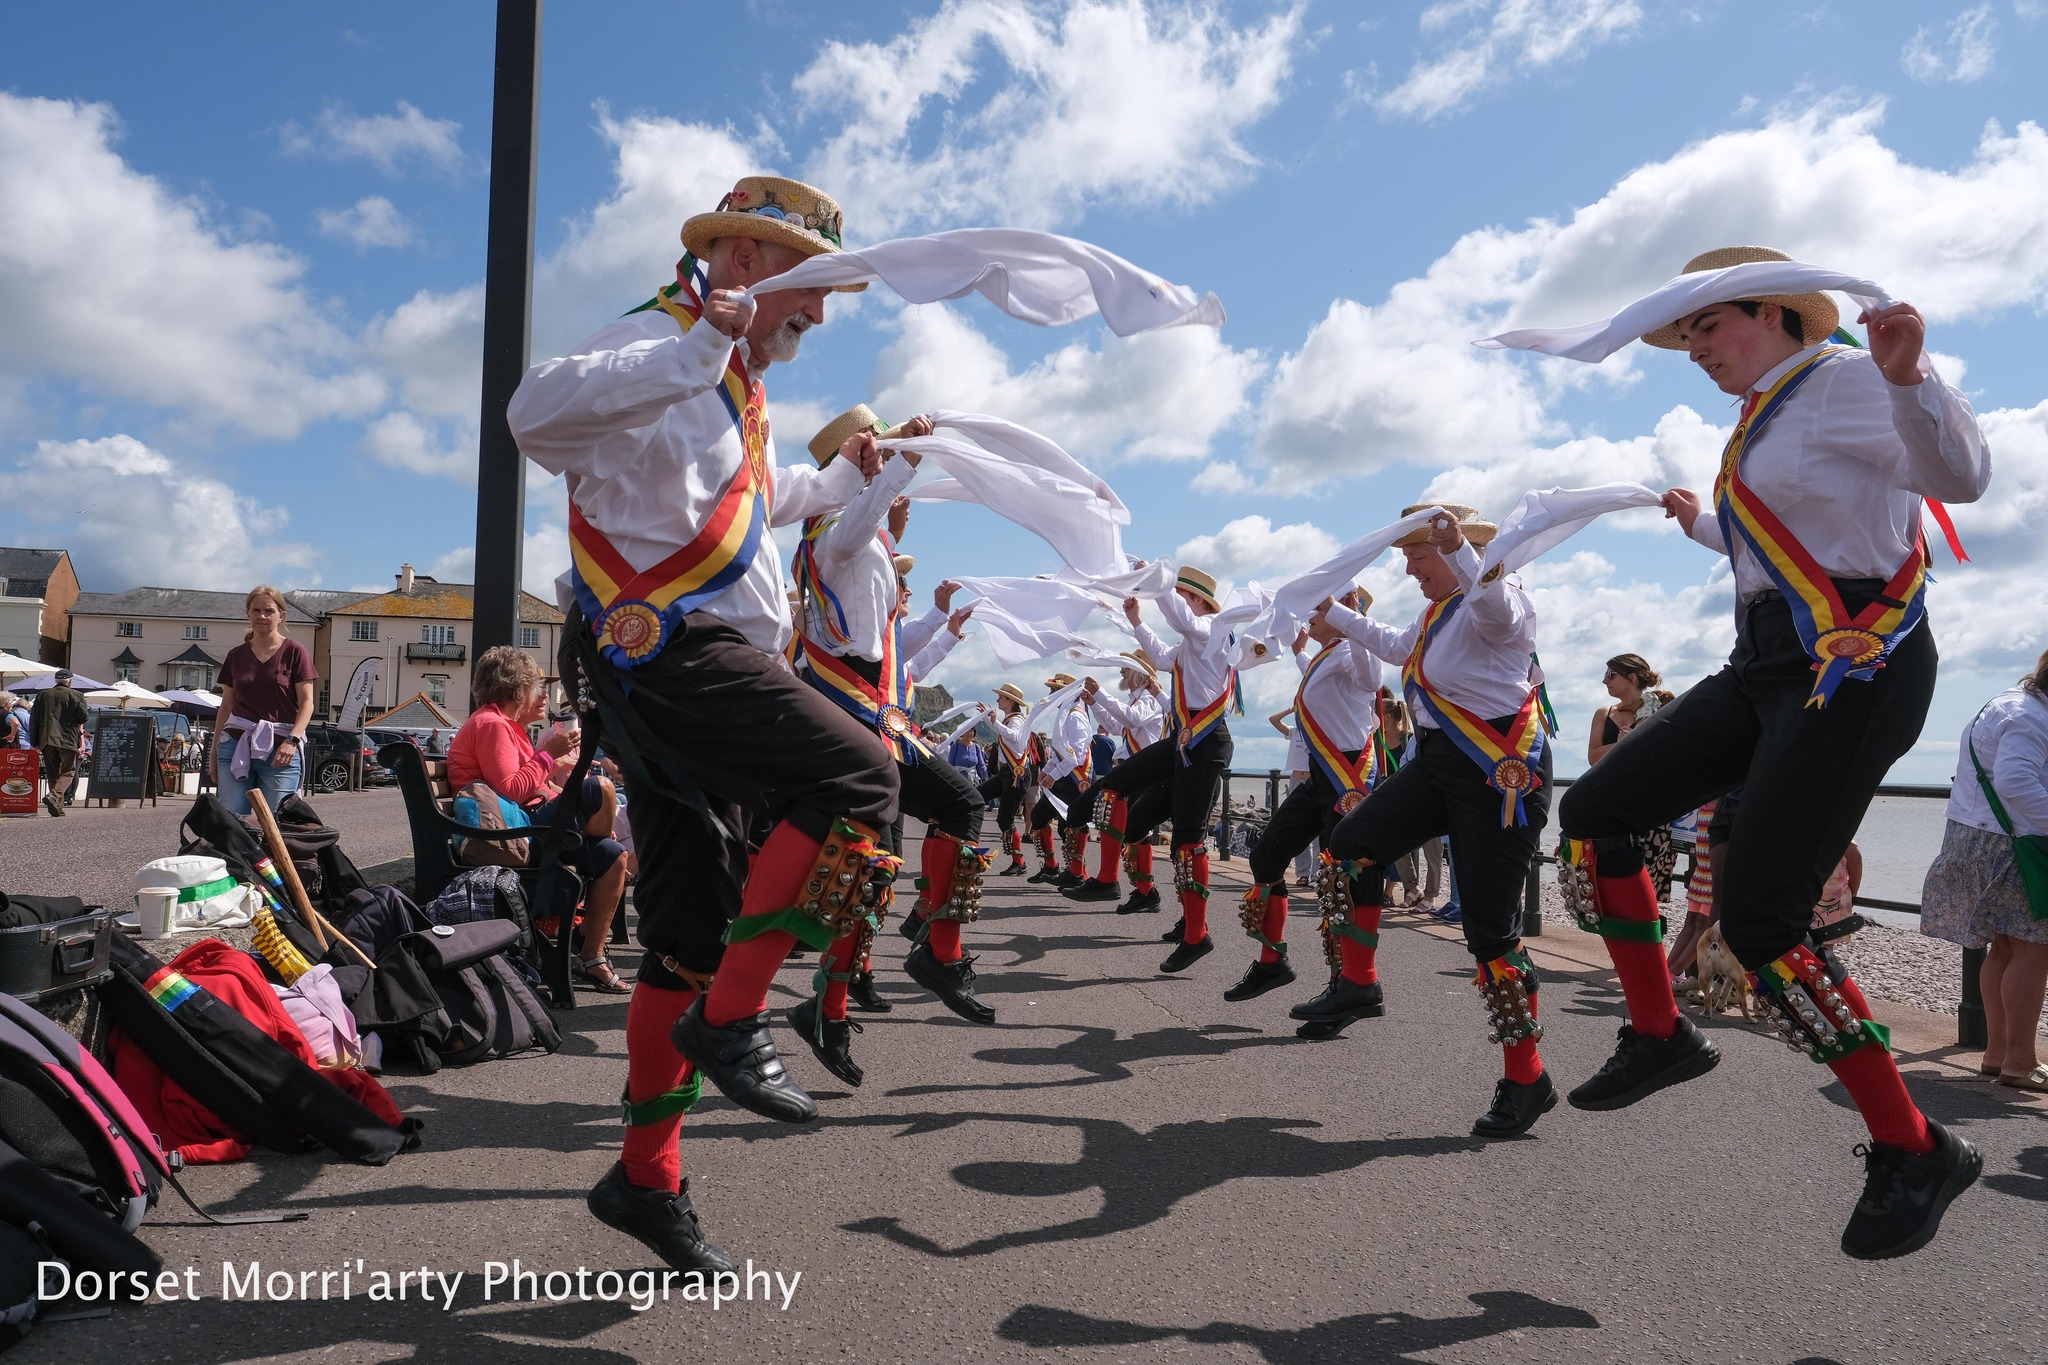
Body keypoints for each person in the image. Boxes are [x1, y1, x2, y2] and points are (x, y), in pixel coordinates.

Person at [1553, 246, 1991, 1259]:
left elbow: (1956, 478)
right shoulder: (1763, 418)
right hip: (1763, 662)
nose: (1693, 348)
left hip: (1852, 665)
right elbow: (1790, 539)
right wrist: (1702, 524)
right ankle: (1660, 1032)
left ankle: (1912, 1145)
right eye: (1687, 335)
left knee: (1758, 919)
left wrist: (1908, 379)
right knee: (1595, 814)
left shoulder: (1842, 381)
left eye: (1707, 326)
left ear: (1780, 315)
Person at [508, 174, 895, 1274]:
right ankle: (735, 1020)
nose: (817, 316)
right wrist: (697, 347)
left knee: (685, 929)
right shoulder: (658, 340)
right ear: (742, 262)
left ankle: (645, 1181)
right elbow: (530, 416)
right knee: (859, 780)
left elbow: (742, 505)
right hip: (667, 650)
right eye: (807, 289)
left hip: (693, 661)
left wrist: (836, 479)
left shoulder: (730, 382)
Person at [1319, 506, 1558, 1138]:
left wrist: (1458, 549)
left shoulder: (1500, 601)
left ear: (1453, 555)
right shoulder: (1437, 614)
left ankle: (1528, 1077)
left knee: (1490, 931)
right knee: (1351, 846)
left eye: (1416, 555)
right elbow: (1398, 649)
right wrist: (1334, 614)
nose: (1408, 566)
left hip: (1497, 771)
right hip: (1440, 762)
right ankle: (1358, 983)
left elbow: (1494, 608)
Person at [786, 406, 992, 1083]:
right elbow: (853, 527)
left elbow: (886, 628)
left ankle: (865, 987)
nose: (879, 465)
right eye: (870, 455)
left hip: (871, 716)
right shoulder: (828, 534)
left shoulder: (852, 538)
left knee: (909, 841)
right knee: (868, 865)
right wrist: (905, 452)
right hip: (851, 716)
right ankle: (843, 997)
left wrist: (891, 510)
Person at [1231, 588, 1382, 1010]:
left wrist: (1354, 620)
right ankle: (1272, 961)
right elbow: (1322, 683)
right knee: (1265, 857)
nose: (1312, 613)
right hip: (1322, 775)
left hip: (1349, 775)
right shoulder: (1325, 657)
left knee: (1343, 879)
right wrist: (1300, 650)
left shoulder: (1355, 651)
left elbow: (1370, 680)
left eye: (1322, 607)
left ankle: (1350, 983)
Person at [448, 645, 631, 993]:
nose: (542, 693)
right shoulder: (491, 724)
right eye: (536, 685)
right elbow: (512, 791)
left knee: (613, 857)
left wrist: (552, 773)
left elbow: (531, 788)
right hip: (513, 833)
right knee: (602, 788)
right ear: (516, 688)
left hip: (526, 827)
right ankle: (589, 861)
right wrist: (548, 756)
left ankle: (590, 955)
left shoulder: (505, 726)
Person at [1092, 567, 1238, 973]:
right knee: (1118, 785)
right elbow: (1159, 657)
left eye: (1183, 594)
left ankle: (1196, 934)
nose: (1180, 601)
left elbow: (1183, 620)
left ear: (1201, 602)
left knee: (1187, 840)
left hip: (1205, 743)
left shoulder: (1211, 627)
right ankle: (1107, 879)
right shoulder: (1193, 638)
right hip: (1185, 741)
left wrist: (1158, 582)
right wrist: (1137, 622)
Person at [1921, 652, 2048, 1090]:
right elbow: (2016, 783)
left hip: (1978, 839)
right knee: (2034, 950)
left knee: (2007, 950)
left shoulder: (2009, 703)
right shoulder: (2031, 719)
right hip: (2009, 846)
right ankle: (2020, 1062)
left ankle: (1997, 1055)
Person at [1067, 652, 1168, 910]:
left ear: (1140, 672)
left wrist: (1100, 693)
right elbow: (1115, 724)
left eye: (1126, 667)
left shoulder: (1149, 699)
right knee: (1132, 829)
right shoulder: (1137, 700)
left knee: (1113, 818)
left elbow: (1130, 719)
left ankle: (1105, 880)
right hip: (1134, 773)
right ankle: (1144, 892)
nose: (1122, 672)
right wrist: (1095, 702)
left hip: (1143, 774)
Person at [208, 587, 317, 818]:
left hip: (281, 748)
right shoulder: (236, 656)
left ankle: (274, 856)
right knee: (232, 821)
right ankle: (235, 857)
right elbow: (226, 706)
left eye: (269, 610)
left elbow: (307, 702)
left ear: (281, 616)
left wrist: (292, 740)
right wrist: (214, 752)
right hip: (235, 744)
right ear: (248, 614)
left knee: (279, 821)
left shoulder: (295, 652)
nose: (262, 616)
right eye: (256, 610)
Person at [1025, 673, 1094, 888]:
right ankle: (1051, 867)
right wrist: (1046, 770)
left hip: (1075, 779)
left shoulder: (1075, 715)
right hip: (1063, 778)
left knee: (1071, 825)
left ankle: (1078, 873)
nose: (1051, 695)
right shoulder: (1066, 715)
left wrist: (1052, 776)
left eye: (1055, 691)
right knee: (1039, 816)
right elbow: (1059, 754)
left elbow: (1077, 755)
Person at [978, 684, 1036, 877]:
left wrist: (994, 722)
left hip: (1015, 775)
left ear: (1010, 701)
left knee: (1005, 818)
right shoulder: (1010, 719)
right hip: (1007, 773)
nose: (998, 701)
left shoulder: (1017, 720)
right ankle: (969, 841)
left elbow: (1015, 737)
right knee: (976, 796)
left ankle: (1019, 862)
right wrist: (988, 718)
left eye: (1001, 698)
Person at [28, 670, 89, 816]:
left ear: (56, 681)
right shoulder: (77, 695)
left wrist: (34, 741)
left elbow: (34, 719)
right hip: (67, 739)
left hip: (47, 739)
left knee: (53, 772)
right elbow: (83, 717)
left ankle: (58, 808)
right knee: (68, 771)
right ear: (70, 681)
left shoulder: (43, 695)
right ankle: (54, 796)